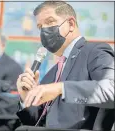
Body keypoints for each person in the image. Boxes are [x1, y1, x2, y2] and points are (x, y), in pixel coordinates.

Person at [16, 1, 114, 130]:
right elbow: (35, 122)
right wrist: (26, 98)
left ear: (71, 24)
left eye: (50, 22)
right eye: (40, 27)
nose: (44, 30)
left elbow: (111, 90)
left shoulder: (94, 51)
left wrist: (61, 89)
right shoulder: (53, 72)